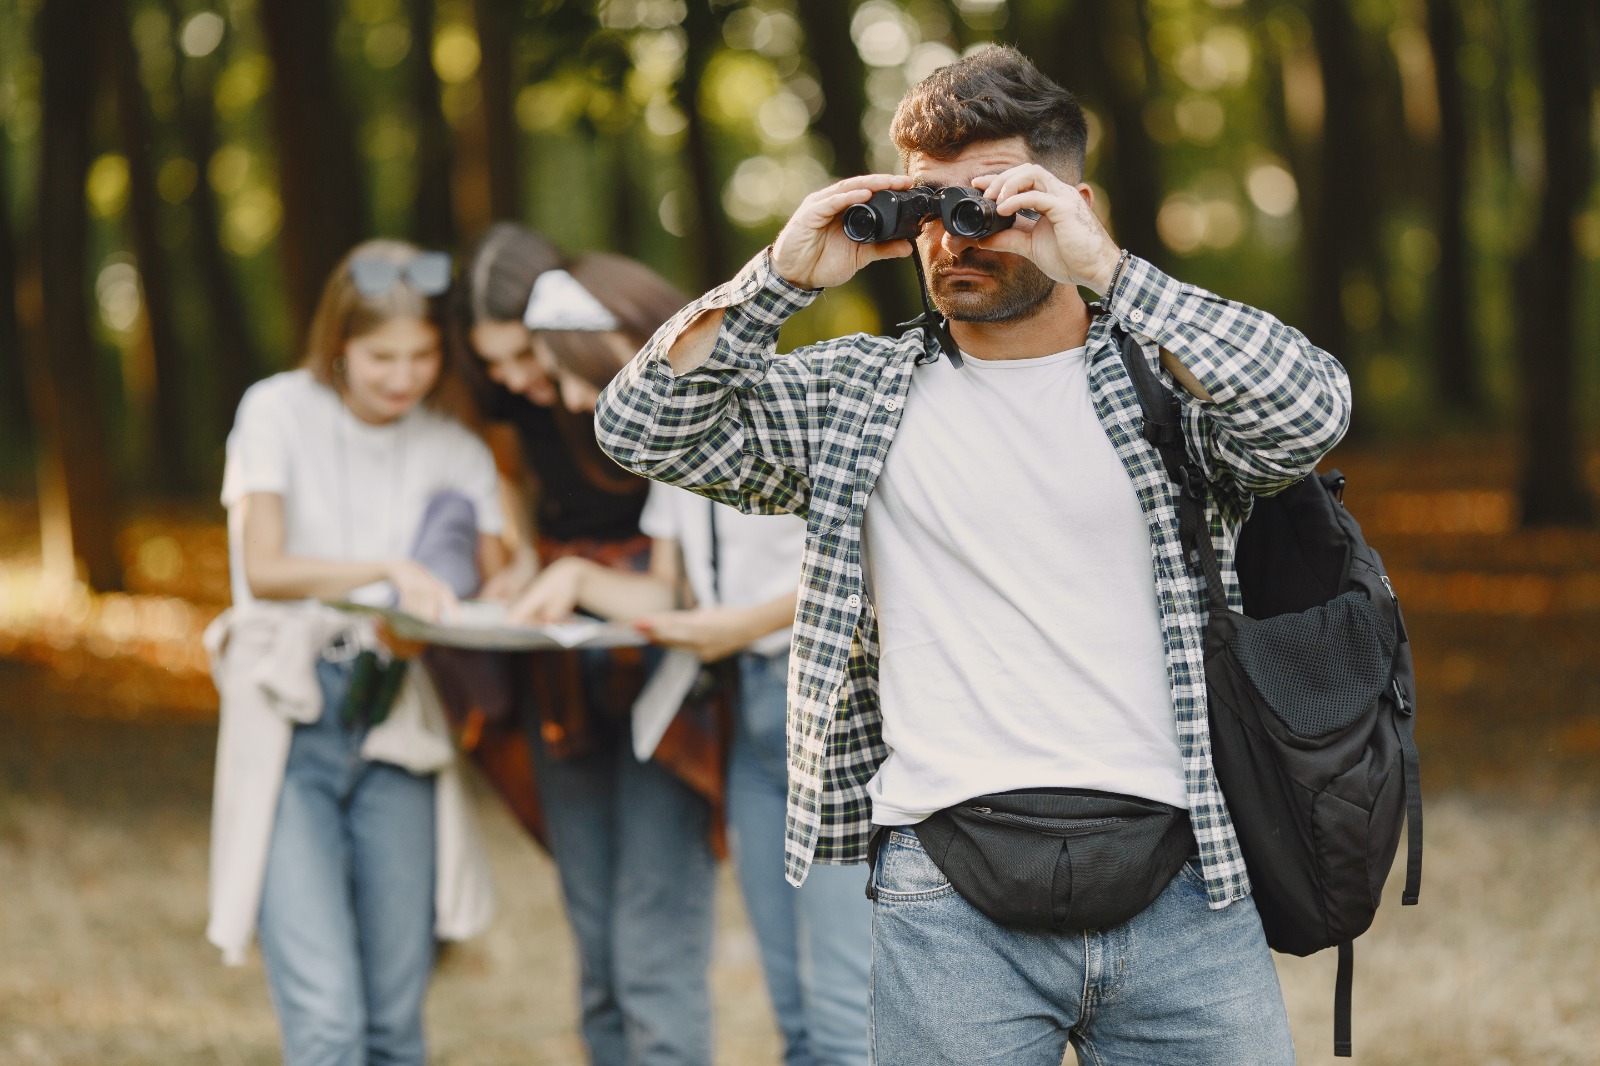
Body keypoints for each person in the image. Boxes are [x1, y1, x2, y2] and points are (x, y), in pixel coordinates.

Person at [593, 46, 1353, 1066]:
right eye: (927, 208)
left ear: (1067, 201)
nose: (953, 237)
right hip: (944, 896)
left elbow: (1310, 409)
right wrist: (774, 280)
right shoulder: (853, 396)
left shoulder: (1167, 390)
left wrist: (1108, 269)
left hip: (1186, 876)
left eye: (988, 205)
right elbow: (641, 428)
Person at [511, 258, 874, 1066]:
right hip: (745, 714)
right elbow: (673, 590)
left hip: (824, 708)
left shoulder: (796, 410)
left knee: (846, 1006)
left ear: (623, 340)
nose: (573, 401)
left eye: (572, 375)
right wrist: (572, 578)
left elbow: (866, 572)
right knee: (796, 1012)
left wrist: (734, 627)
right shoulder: (672, 441)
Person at [206, 239, 501, 1065]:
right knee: (329, 1024)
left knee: (393, 1022)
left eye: (421, 355)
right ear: (339, 342)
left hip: (398, 720)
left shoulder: (452, 444)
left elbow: (500, 572)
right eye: (381, 357)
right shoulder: (276, 411)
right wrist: (387, 570)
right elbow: (264, 569)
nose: (401, 376)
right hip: (290, 717)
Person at [457, 237, 719, 1066]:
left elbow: (686, 585)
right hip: (563, 676)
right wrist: (524, 572)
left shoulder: (672, 401)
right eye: (496, 362)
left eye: (527, 355)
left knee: (652, 943)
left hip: (664, 685)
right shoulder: (519, 415)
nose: (523, 381)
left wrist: (579, 577)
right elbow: (526, 531)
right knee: (598, 940)